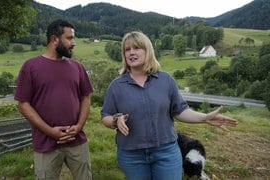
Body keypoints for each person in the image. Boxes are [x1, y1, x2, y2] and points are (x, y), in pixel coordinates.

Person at [100, 31, 238, 180]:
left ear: (148, 51)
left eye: (137, 48)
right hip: (132, 156)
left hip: (166, 152)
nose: (131, 53)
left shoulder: (165, 80)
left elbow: (180, 110)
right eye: (127, 49)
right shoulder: (116, 86)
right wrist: (115, 121)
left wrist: (204, 117)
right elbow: (105, 116)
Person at [14, 19, 93, 180]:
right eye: (69, 38)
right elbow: (23, 105)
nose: (74, 43)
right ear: (54, 39)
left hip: (76, 140)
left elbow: (85, 98)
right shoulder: (31, 67)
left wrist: (78, 126)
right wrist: (50, 131)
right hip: (45, 143)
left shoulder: (77, 67)